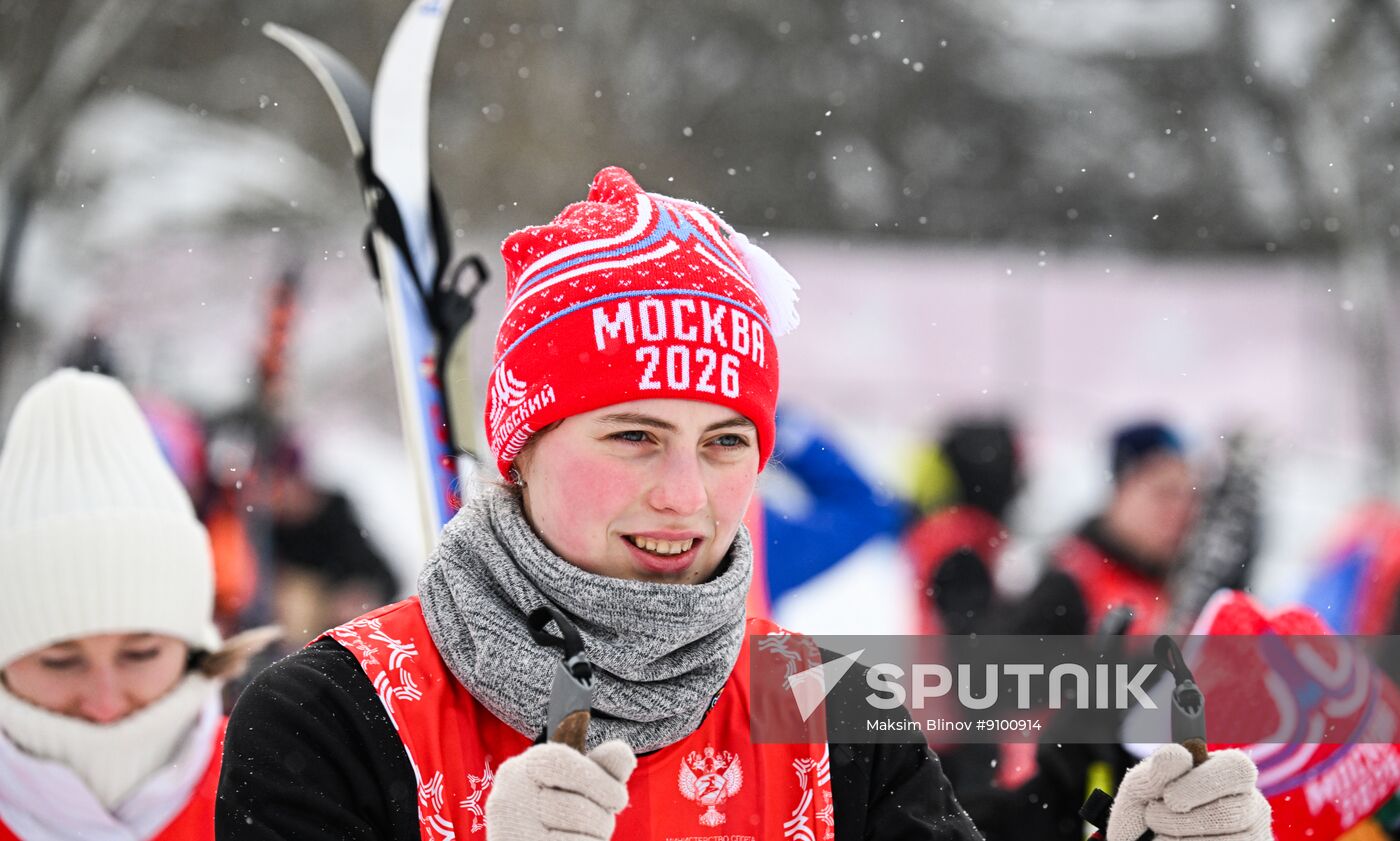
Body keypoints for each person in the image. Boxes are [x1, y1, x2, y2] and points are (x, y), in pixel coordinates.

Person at [215, 167, 1268, 840]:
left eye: (726, 443)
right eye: (632, 434)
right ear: (520, 450)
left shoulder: (828, 707)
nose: (684, 495)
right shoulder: (329, 717)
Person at [0, 369, 276, 840]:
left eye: (140, 654)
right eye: (60, 661)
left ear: (191, 646)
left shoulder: (284, 787)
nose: (105, 704)